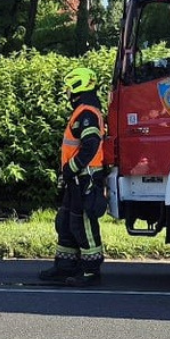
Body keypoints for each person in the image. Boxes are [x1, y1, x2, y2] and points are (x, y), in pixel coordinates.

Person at [38, 66, 108, 287]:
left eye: (69, 88)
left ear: (78, 86)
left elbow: (91, 145)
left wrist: (71, 168)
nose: (67, 93)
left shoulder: (87, 113)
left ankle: (91, 271)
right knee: (66, 222)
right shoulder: (83, 111)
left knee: (83, 224)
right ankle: (65, 266)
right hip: (76, 178)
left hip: (85, 178)